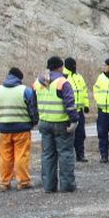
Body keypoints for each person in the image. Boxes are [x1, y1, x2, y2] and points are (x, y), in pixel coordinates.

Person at [33, 56, 81, 193]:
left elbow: (32, 103)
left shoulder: (37, 82)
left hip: (44, 123)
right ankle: (67, 186)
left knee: (48, 155)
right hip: (61, 124)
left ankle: (49, 186)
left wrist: (37, 119)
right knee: (65, 154)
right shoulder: (62, 82)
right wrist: (74, 120)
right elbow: (70, 104)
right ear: (60, 67)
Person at [0, 67, 40, 191]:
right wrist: (33, 122)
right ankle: (23, 181)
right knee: (21, 156)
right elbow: (33, 110)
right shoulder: (25, 91)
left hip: (4, 130)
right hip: (22, 129)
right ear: (19, 79)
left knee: (5, 156)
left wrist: (0, 121)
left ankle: (4, 182)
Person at [64, 57, 90, 162]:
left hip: (79, 110)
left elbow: (84, 92)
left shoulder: (79, 77)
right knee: (68, 135)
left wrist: (86, 105)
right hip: (68, 112)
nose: (74, 67)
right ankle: (69, 156)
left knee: (81, 134)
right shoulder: (64, 77)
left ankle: (80, 155)